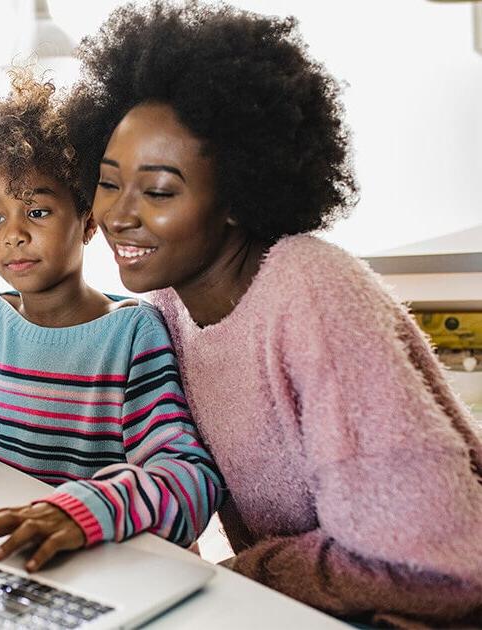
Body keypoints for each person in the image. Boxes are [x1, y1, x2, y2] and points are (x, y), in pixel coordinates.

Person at [63, 2, 482, 627]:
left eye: (158, 191)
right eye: (108, 181)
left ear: (236, 196)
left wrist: (236, 579)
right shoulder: (167, 309)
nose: (119, 215)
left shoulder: (313, 290)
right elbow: (178, 475)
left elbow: (429, 565)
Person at [0, 68, 223, 572]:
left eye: (36, 211)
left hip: (117, 562)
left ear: (87, 221)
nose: (12, 234)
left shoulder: (132, 333)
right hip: (25, 559)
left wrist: (83, 510)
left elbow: (190, 480)